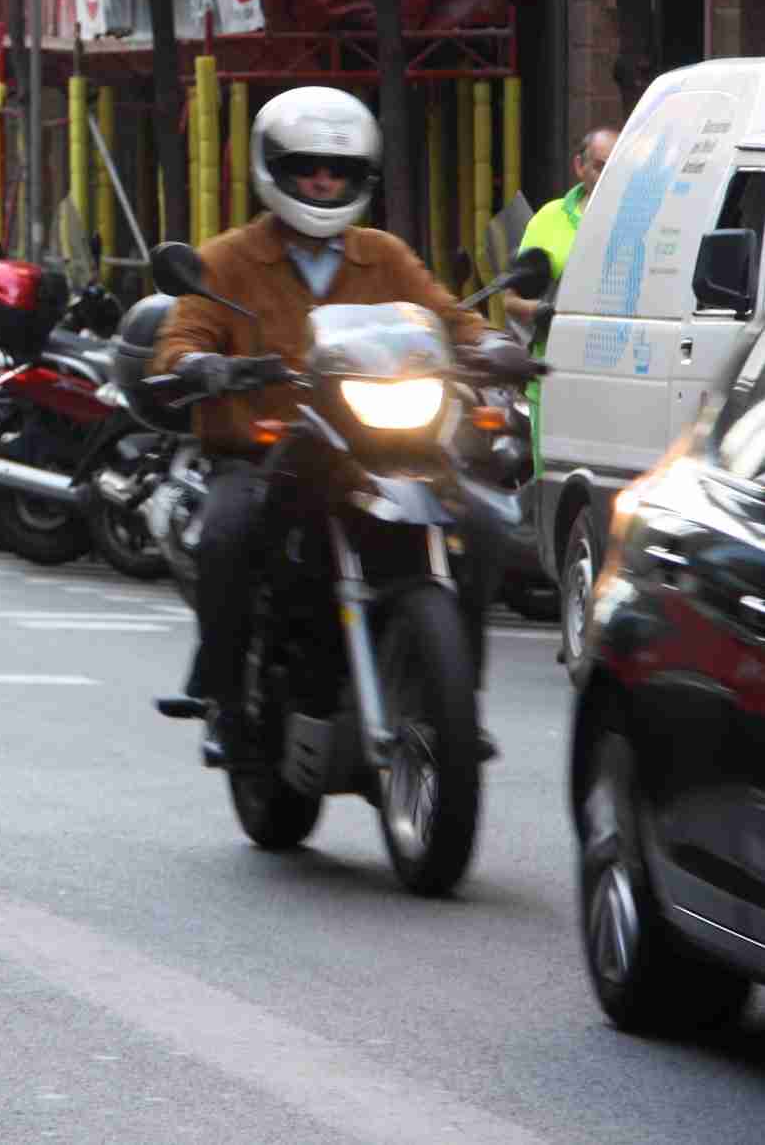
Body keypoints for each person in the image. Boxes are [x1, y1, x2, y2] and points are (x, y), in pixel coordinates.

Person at [150, 86, 530, 762]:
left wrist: (491, 345)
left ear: (362, 178)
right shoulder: (228, 258)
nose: (323, 180)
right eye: (306, 166)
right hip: (268, 450)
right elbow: (182, 336)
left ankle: (453, 699)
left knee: (483, 520)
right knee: (229, 530)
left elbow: (449, 314)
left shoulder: (384, 255)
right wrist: (199, 364)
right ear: (275, 170)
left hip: (376, 444)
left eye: (339, 170)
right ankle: (224, 695)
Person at [504, 125, 616, 473]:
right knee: (553, 484)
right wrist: (541, 311)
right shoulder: (548, 220)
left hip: (619, 379)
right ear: (579, 167)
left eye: (616, 167)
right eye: (599, 166)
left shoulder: (643, 218)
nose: (606, 177)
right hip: (556, 374)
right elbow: (510, 300)